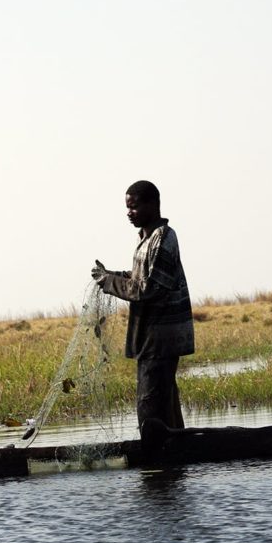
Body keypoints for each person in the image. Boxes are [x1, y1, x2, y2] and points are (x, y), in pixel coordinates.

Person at [91, 180, 194, 432]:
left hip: (161, 340)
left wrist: (109, 282)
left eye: (134, 207)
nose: (129, 213)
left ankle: (158, 464)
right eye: (127, 208)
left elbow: (147, 289)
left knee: (150, 410)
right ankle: (176, 462)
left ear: (152, 205)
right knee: (165, 407)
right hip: (151, 338)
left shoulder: (164, 238)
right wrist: (111, 275)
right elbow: (139, 277)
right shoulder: (146, 238)